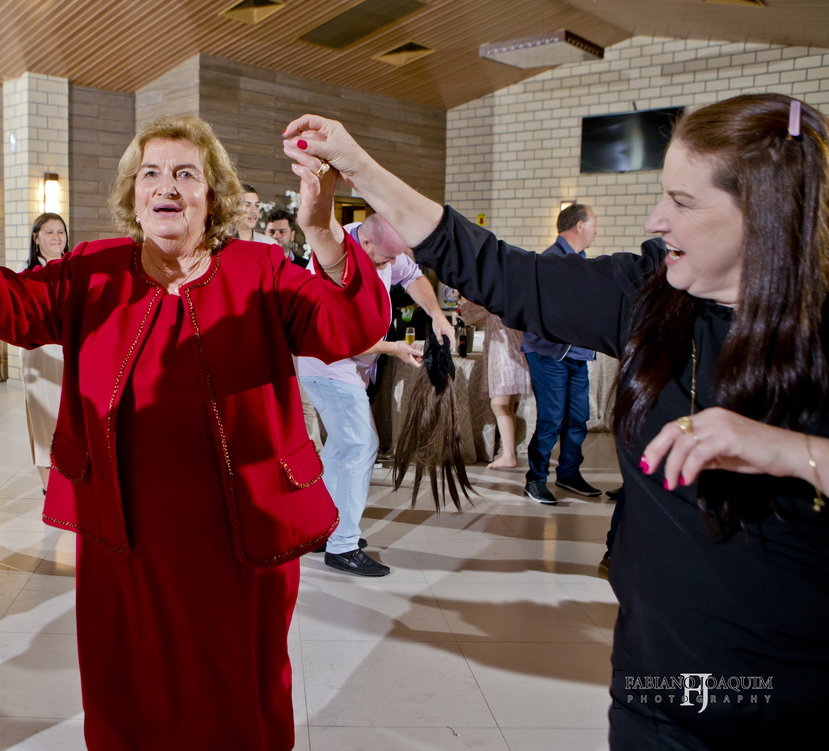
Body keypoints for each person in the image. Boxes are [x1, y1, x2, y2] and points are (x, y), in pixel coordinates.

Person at [282, 95, 829, 748]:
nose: (656, 219)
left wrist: (795, 451)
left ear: (766, 216)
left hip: (790, 700)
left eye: (682, 203)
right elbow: (497, 268)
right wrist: (357, 164)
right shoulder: (649, 295)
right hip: (655, 687)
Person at [0, 116, 389, 749]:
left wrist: (322, 230)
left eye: (185, 173)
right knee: (128, 691)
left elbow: (352, 326)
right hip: (124, 534)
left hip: (242, 533)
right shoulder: (92, 270)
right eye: (150, 173)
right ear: (134, 194)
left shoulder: (262, 269)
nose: (165, 185)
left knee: (240, 694)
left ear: (212, 196)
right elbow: (0, 306)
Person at [298, 214, 452, 577]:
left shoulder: (383, 248)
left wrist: (437, 314)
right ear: (365, 244)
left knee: (341, 447)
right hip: (328, 363)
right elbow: (341, 335)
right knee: (361, 446)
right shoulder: (331, 260)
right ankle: (343, 546)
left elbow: (413, 277)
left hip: (349, 367)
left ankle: (324, 529)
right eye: (386, 259)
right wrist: (395, 348)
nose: (392, 265)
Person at [512, 203, 603, 503]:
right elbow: (528, 309)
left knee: (578, 419)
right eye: (593, 224)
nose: (596, 231)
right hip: (549, 354)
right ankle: (536, 479)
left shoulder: (583, 262)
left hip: (578, 355)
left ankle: (568, 474)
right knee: (551, 420)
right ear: (579, 225)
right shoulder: (550, 261)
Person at [20, 212, 69, 492]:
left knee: (69, 421)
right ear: (36, 238)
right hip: (40, 353)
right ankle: (49, 489)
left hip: (71, 354)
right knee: (44, 422)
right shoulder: (27, 273)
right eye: (49, 232)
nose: (56, 237)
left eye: (60, 231)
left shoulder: (74, 268)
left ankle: (72, 483)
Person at [458, 298, 532, 469]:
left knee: (499, 404)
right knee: (508, 405)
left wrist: (465, 297)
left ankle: (509, 456)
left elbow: (468, 314)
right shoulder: (508, 295)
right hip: (513, 347)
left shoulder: (495, 297)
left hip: (504, 350)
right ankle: (507, 451)